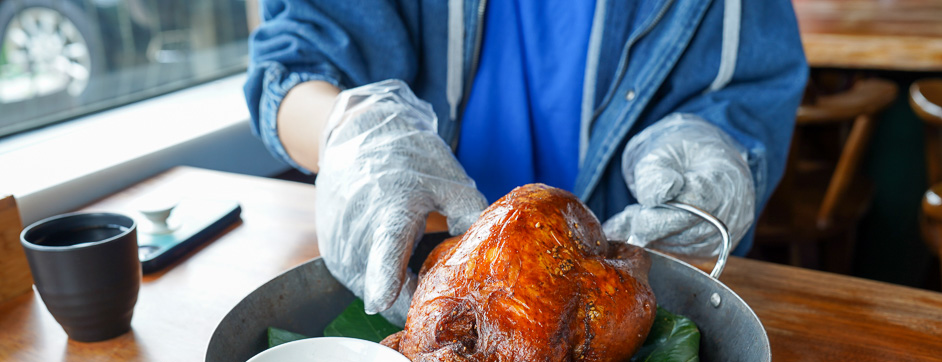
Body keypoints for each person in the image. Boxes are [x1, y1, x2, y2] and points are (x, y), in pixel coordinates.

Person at [244, 0, 809, 325]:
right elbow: (294, 64)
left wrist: (718, 149)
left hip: (644, 280)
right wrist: (352, 131)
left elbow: (748, 90)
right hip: (424, 266)